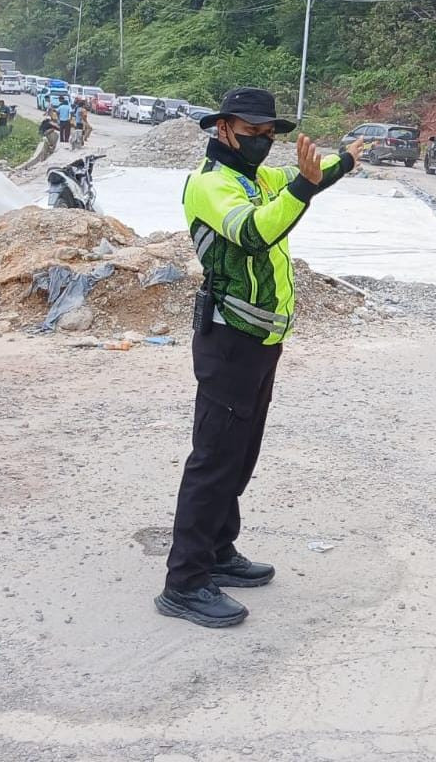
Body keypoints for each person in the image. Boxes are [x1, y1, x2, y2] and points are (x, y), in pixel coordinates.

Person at [156, 87, 366, 629]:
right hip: (228, 341)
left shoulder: (255, 178)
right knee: (214, 458)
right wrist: (302, 185)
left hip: (260, 341)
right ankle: (185, 580)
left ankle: (220, 551)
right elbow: (254, 233)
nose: (263, 142)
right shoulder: (212, 185)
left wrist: (346, 159)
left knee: (241, 453)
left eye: (270, 134)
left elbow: (308, 175)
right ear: (222, 128)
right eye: (253, 133)